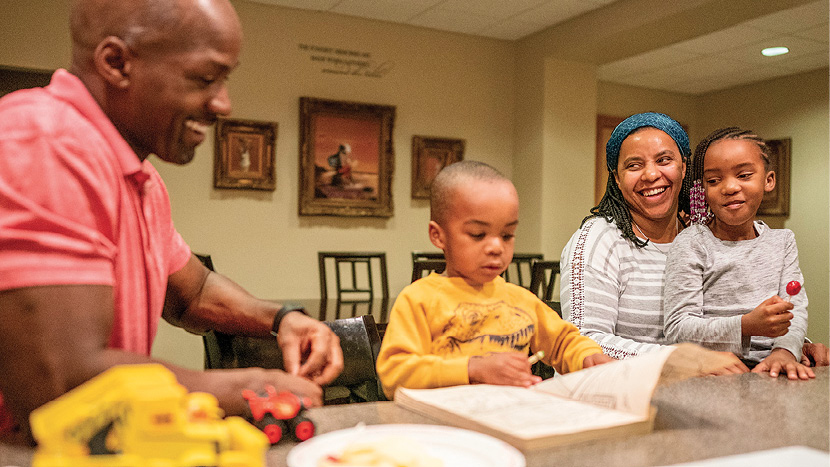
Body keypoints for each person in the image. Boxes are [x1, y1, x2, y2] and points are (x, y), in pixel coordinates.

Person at [0, 0, 342, 444]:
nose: (223, 104)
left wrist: (282, 318)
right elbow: (61, 384)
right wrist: (253, 389)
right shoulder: (45, 142)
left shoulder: (140, 177)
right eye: (205, 78)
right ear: (116, 63)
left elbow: (193, 292)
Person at [561, 112, 829, 370]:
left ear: (684, 167)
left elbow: (732, 312)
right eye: (634, 165)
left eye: (664, 160)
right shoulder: (600, 239)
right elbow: (584, 342)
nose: (651, 175)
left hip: (701, 388)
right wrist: (686, 359)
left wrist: (788, 347)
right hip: (619, 398)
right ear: (617, 178)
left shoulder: (703, 234)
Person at [376, 161, 613, 399]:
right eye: (478, 235)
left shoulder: (519, 299)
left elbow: (563, 342)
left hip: (506, 417)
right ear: (438, 236)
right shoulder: (419, 299)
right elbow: (394, 375)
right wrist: (472, 369)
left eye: (507, 235)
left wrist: (587, 357)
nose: (496, 247)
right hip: (443, 426)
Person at [663, 127, 813, 380]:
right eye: (713, 180)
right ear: (704, 190)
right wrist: (745, 326)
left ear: (769, 180)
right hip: (712, 375)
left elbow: (794, 309)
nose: (729, 187)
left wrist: (786, 352)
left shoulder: (783, 241)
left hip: (773, 371)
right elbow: (677, 328)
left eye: (743, 175)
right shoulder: (691, 243)